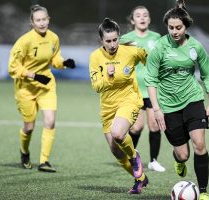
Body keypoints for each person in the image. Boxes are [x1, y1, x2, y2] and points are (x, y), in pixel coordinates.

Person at [145, 1, 209, 200]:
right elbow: (150, 79)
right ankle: (179, 160)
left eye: (178, 27)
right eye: (171, 28)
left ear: (186, 26)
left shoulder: (196, 46)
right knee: (184, 154)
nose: (174, 31)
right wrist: (156, 109)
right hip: (168, 105)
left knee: (200, 144)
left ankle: (203, 191)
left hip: (193, 99)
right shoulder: (160, 47)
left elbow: (208, 74)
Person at [8, 4, 76, 173]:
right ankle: (24, 152)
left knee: (50, 122)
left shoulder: (53, 38)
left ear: (48, 20)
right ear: (32, 22)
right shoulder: (24, 41)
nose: (41, 23)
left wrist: (64, 63)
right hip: (26, 89)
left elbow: (55, 59)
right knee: (29, 127)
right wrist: (33, 75)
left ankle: (44, 161)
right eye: (38, 20)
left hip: (47, 85)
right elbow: (12, 67)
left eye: (44, 19)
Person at [89, 18, 148, 194]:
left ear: (119, 37)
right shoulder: (95, 57)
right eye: (108, 41)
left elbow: (150, 59)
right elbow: (96, 86)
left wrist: (155, 77)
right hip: (108, 107)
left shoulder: (130, 51)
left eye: (115, 39)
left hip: (129, 100)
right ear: (101, 41)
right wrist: (107, 77)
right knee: (116, 152)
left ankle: (134, 156)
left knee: (117, 134)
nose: (113, 44)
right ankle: (140, 179)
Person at [121, 6, 165, 172]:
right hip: (134, 89)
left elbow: (162, 60)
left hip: (153, 88)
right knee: (137, 127)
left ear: (149, 19)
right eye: (138, 16)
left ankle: (154, 161)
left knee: (154, 126)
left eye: (145, 15)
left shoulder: (157, 37)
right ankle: (130, 157)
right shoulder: (125, 39)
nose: (142, 18)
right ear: (132, 20)